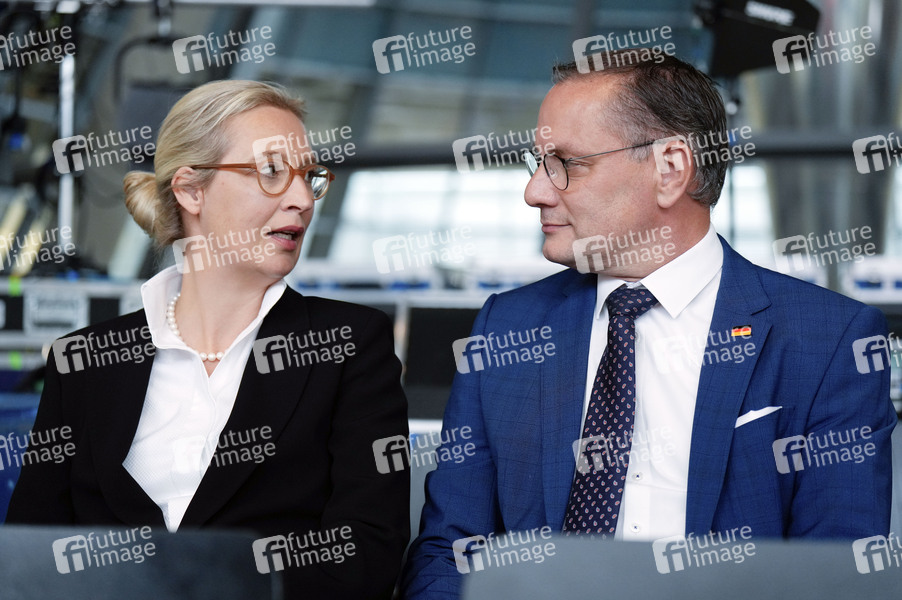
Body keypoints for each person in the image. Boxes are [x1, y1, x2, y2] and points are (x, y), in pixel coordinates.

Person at [401, 50, 895, 598]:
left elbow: (836, 574)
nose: (534, 191)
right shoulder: (508, 326)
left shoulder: (827, 340)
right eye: (537, 163)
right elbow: (450, 549)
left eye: (567, 163)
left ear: (670, 169)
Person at [7, 80, 410, 599]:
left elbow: (366, 554)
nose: (302, 200)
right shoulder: (84, 361)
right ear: (190, 190)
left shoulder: (348, 345)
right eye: (270, 172)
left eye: (310, 177)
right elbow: (30, 556)